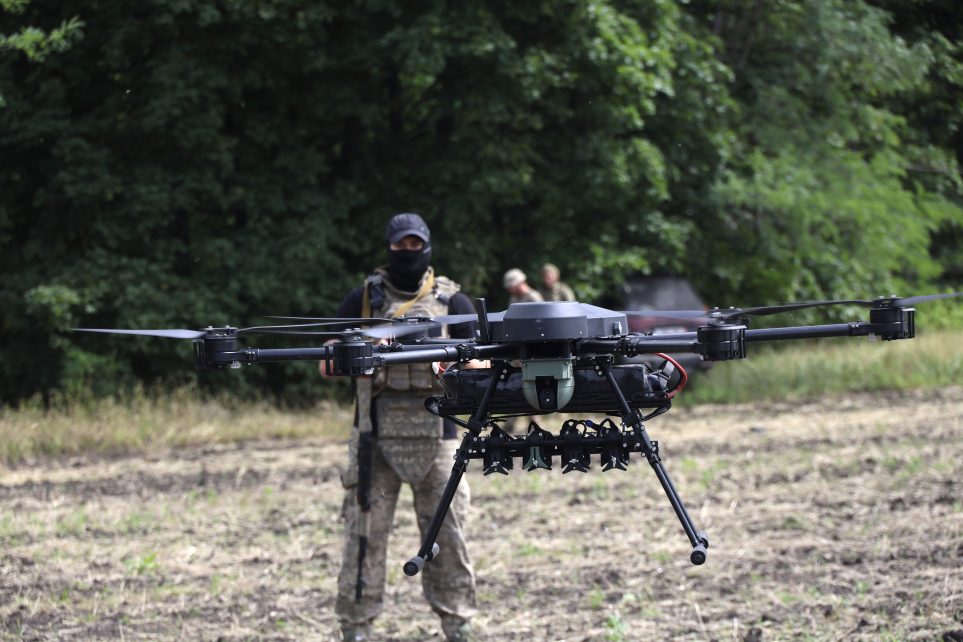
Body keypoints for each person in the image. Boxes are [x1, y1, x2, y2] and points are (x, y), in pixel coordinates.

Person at [322, 213, 478, 642]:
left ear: (426, 246)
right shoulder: (362, 301)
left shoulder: (455, 303)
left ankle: (458, 625)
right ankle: (355, 628)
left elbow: (484, 363)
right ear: (389, 248)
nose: (408, 252)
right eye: (400, 245)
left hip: (441, 437)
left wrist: (445, 357)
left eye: (415, 245)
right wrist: (366, 350)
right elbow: (327, 362)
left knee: (448, 537)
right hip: (374, 438)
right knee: (363, 538)